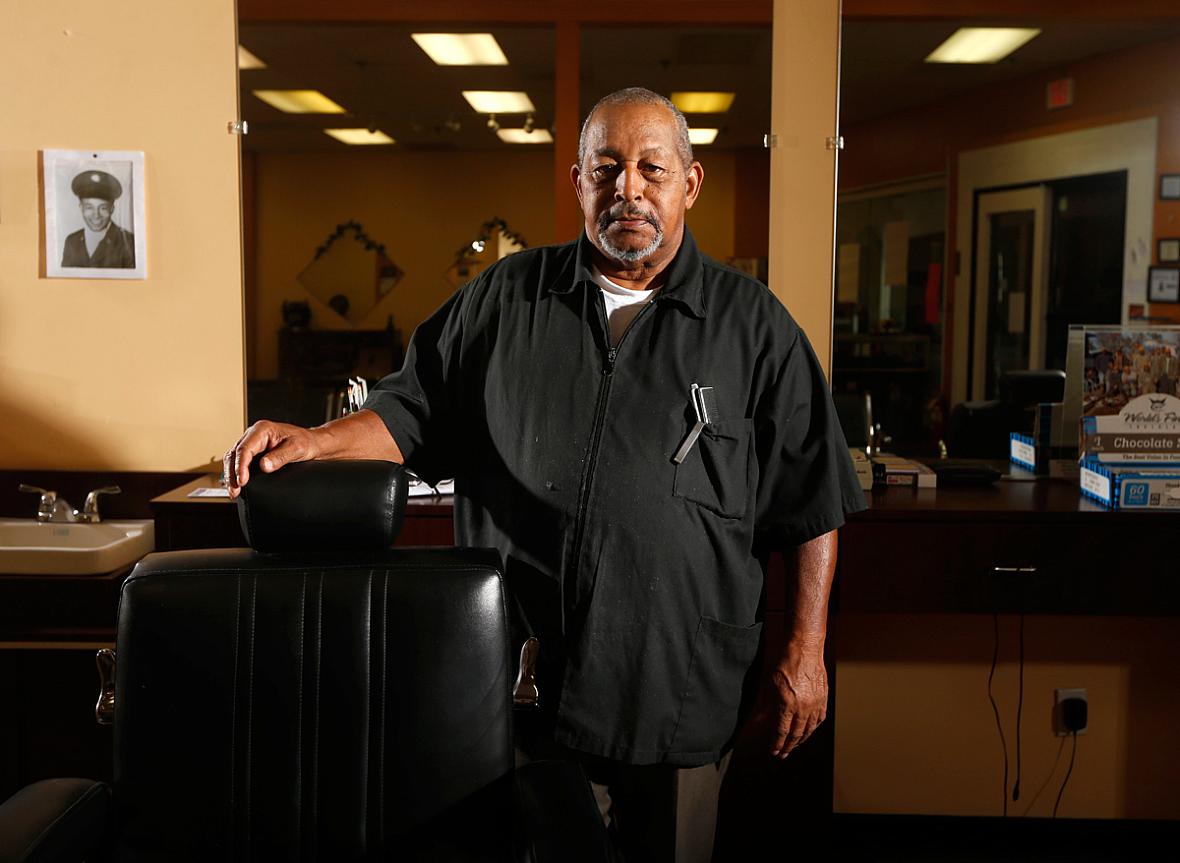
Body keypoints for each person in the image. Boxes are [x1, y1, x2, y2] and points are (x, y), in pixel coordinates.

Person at [225, 87, 865, 862]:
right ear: (578, 182)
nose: (628, 188)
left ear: (688, 185)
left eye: (651, 169)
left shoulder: (754, 326)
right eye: (607, 168)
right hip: (526, 682)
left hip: (679, 680)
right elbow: (408, 411)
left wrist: (804, 653)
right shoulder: (504, 300)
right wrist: (317, 441)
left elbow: (812, 501)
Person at [61, 169, 136, 268]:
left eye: (103, 208)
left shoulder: (128, 241)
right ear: (81, 208)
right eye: (89, 207)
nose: (96, 215)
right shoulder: (71, 241)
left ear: (112, 209)